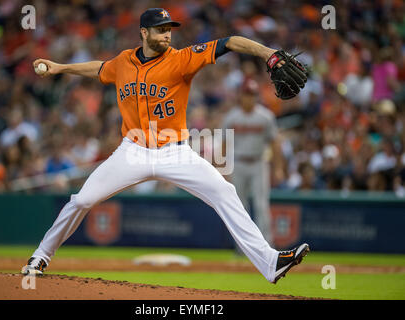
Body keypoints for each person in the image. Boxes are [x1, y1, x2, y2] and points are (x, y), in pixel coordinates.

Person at [22, 8, 309, 284]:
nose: (167, 35)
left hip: (176, 152)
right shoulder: (123, 62)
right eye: (160, 30)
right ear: (143, 33)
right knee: (82, 200)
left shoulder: (182, 59)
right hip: (132, 152)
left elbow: (231, 42)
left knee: (225, 191)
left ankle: (270, 263)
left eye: (169, 29)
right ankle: (40, 256)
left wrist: (267, 53)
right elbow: (99, 68)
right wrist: (60, 67)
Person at [222, 77, 282, 249]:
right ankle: (243, 248)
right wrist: (224, 169)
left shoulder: (265, 116)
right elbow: (224, 144)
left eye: (253, 94)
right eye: (247, 94)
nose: (250, 97)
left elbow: (275, 143)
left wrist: (278, 168)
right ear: (241, 95)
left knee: (261, 205)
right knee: (239, 207)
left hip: (258, 163)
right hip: (238, 163)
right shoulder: (232, 117)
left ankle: (267, 247)